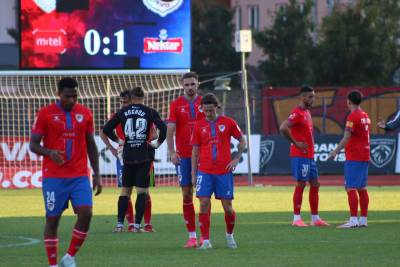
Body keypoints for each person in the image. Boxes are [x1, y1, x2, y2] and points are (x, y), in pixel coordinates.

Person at [30, 77, 102, 267]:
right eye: (67, 96)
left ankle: (69, 256)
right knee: (52, 219)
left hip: (79, 175)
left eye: (74, 96)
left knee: (86, 213)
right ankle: (53, 264)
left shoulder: (85, 113)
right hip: (54, 177)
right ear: (58, 94)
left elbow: (91, 145)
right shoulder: (45, 114)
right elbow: (33, 144)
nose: (71, 100)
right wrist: (49, 152)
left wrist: (97, 174)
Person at [102, 86, 166, 232]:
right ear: (144, 97)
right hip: (144, 156)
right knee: (142, 191)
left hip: (128, 156)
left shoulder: (122, 112)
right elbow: (163, 128)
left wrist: (119, 141)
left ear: (131, 98)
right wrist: (157, 144)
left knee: (125, 191)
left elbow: (106, 130)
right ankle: (137, 225)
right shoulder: (149, 112)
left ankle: (119, 225)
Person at [191, 93, 245, 249]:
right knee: (204, 204)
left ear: (217, 108)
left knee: (227, 208)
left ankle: (229, 236)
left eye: (211, 110)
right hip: (205, 171)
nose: (208, 114)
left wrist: (236, 158)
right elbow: (195, 151)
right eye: (205, 111)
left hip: (223, 172)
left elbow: (242, 140)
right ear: (202, 109)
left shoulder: (228, 123)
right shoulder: (199, 126)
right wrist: (193, 174)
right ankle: (206, 241)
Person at [279, 86, 329, 227]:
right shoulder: (297, 113)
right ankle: (296, 219)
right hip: (300, 155)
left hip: (309, 156)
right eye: (310, 97)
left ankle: (315, 218)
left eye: (313, 96)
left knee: (315, 184)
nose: (312, 99)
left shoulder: (307, 112)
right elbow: (283, 127)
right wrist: (295, 143)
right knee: (301, 184)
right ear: (302, 97)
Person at [166, 72, 205, 248]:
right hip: (184, 156)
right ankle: (191, 237)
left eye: (192, 84)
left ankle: (205, 236)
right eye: (187, 84)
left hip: (202, 155)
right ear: (182, 85)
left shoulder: (205, 103)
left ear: (198, 84)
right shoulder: (175, 104)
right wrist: (172, 152)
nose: (190, 87)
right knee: (187, 193)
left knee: (204, 196)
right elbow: (170, 129)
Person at [329, 90, 370, 228]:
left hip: (354, 155)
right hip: (364, 155)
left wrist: (335, 151)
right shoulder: (365, 115)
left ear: (349, 102)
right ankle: (363, 219)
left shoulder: (353, 116)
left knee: (350, 187)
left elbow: (347, 137)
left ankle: (353, 220)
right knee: (362, 188)